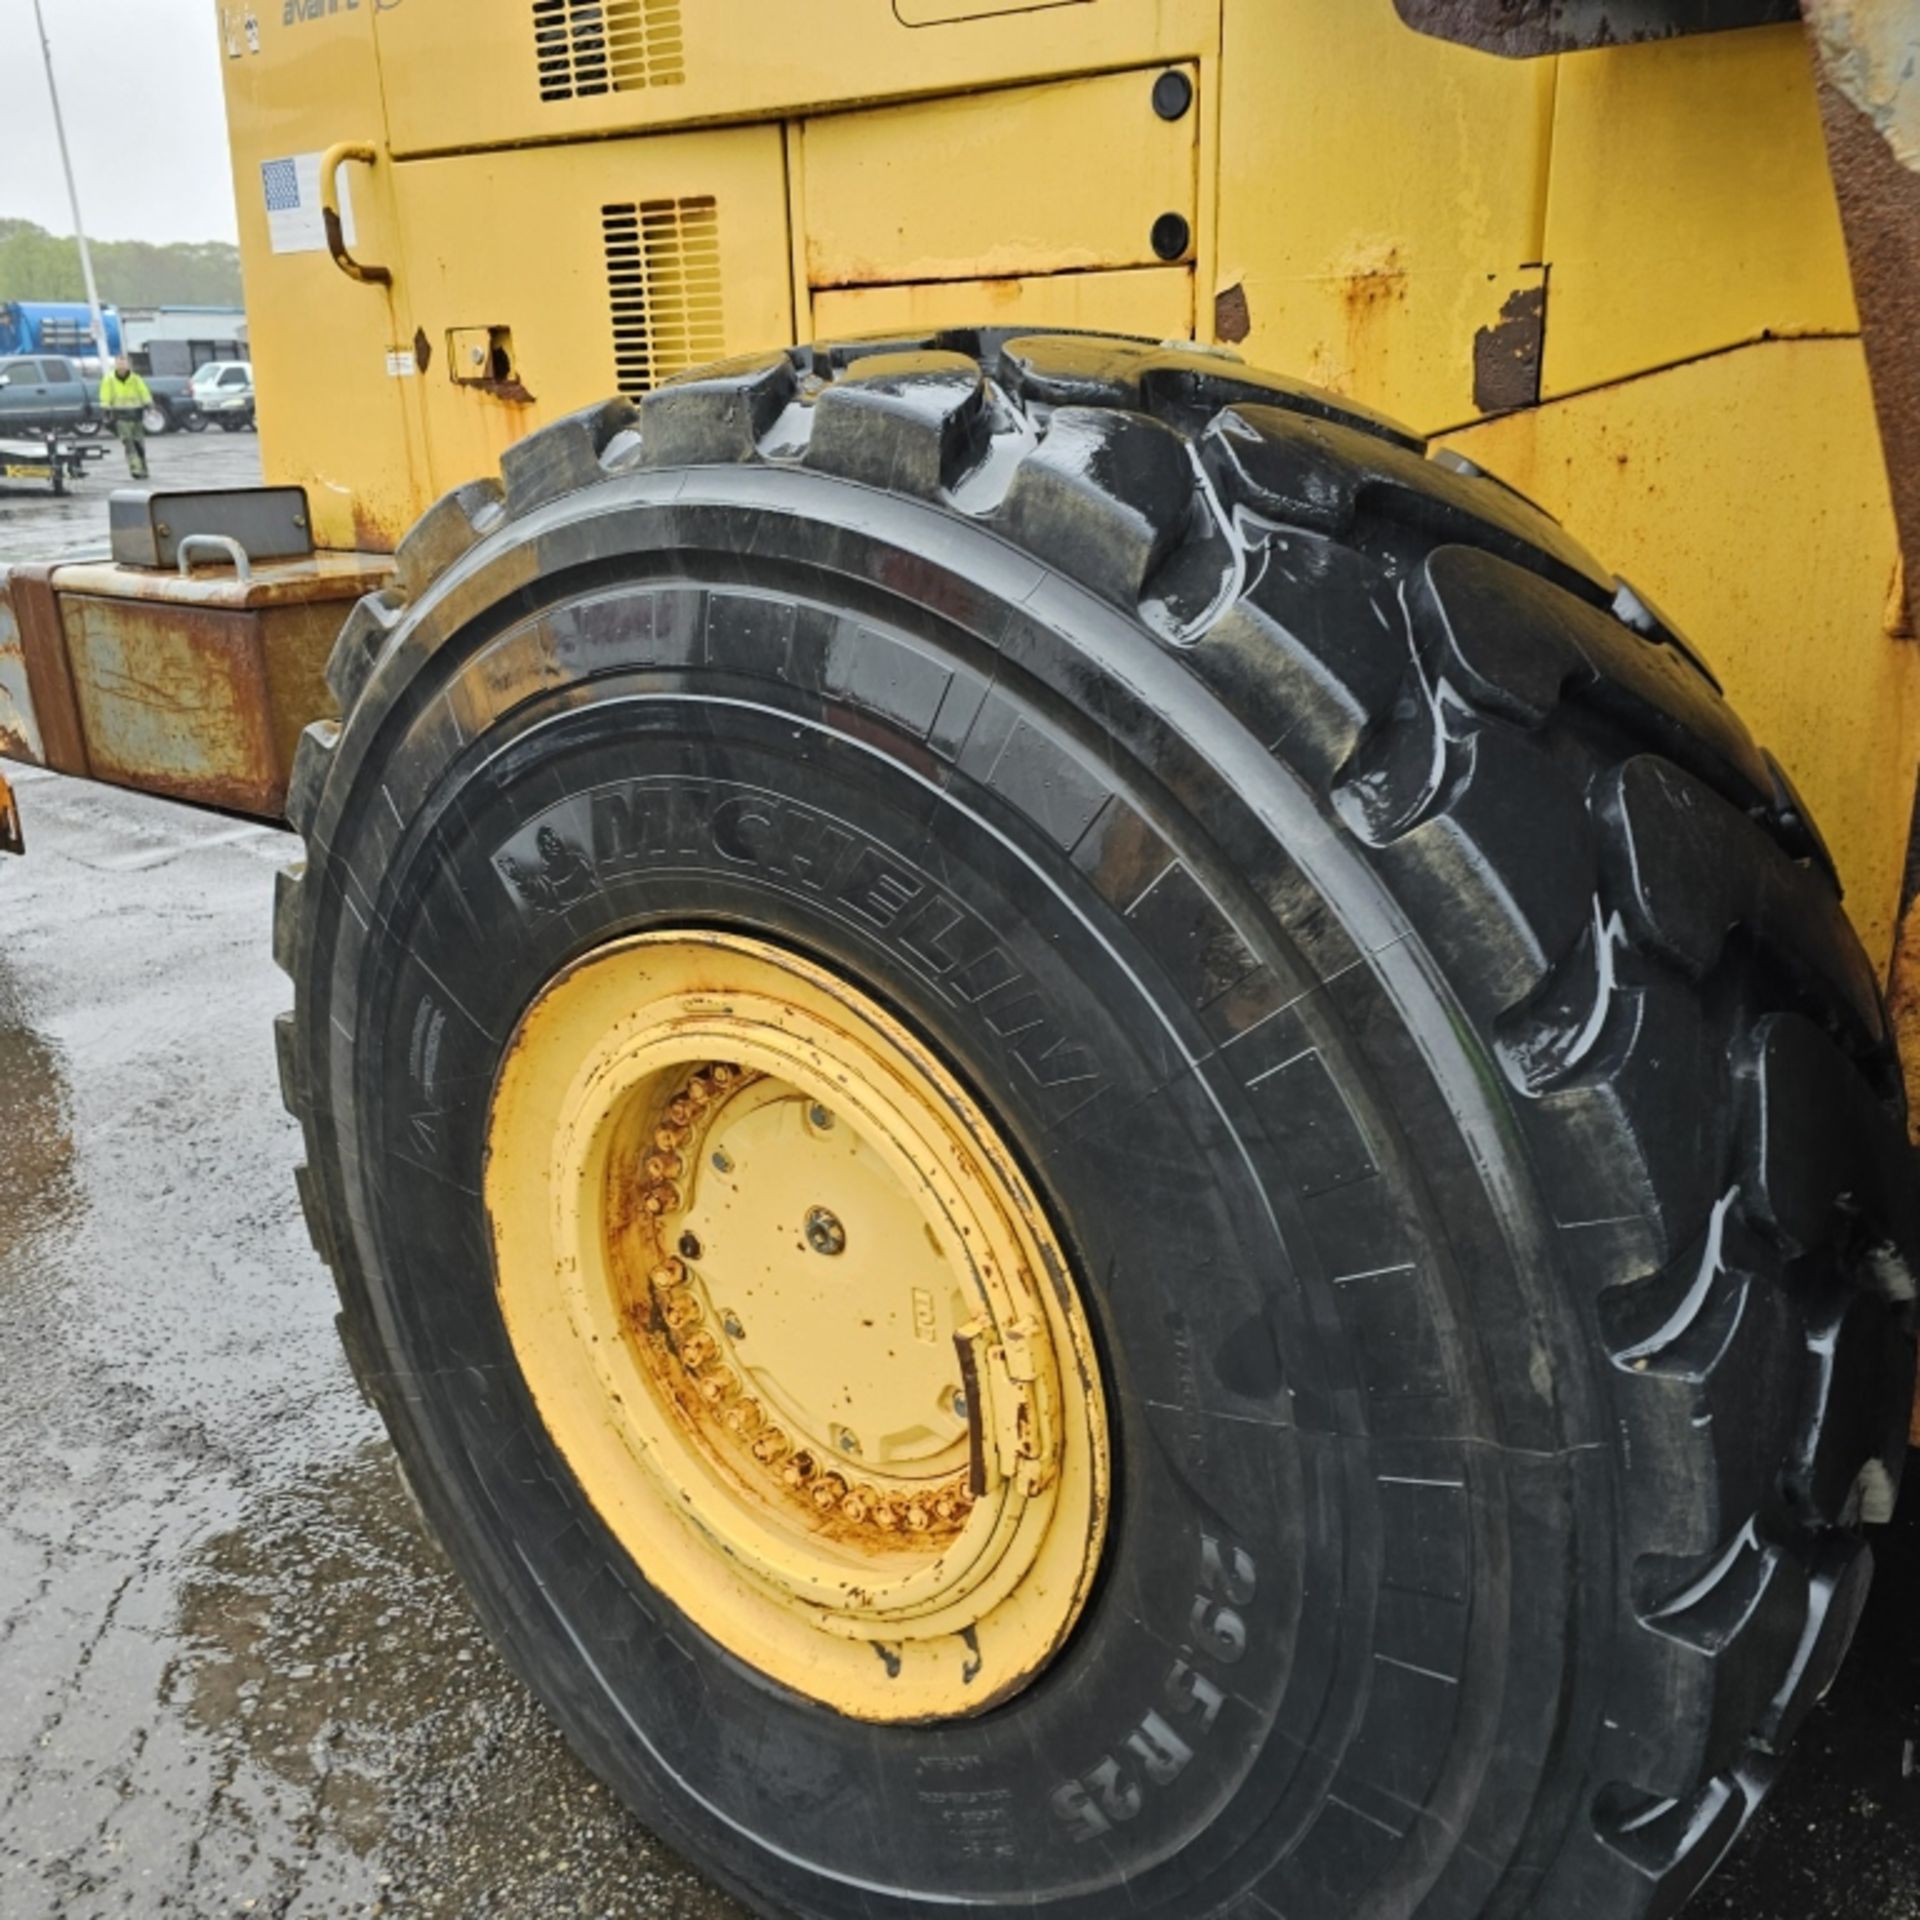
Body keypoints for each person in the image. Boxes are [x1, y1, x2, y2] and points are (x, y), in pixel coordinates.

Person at [98, 356, 153, 481]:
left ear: (128, 365)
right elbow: (105, 395)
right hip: (120, 416)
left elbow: (143, 392)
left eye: (124, 363)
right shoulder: (109, 379)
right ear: (116, 365)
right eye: (119, 363)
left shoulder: (136, 379)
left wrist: (149, 404)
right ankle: (135, 469)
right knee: (128, 442)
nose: (122, 366)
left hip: (136, 415)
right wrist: (106, 410)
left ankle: (143, 468)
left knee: (139, 443)